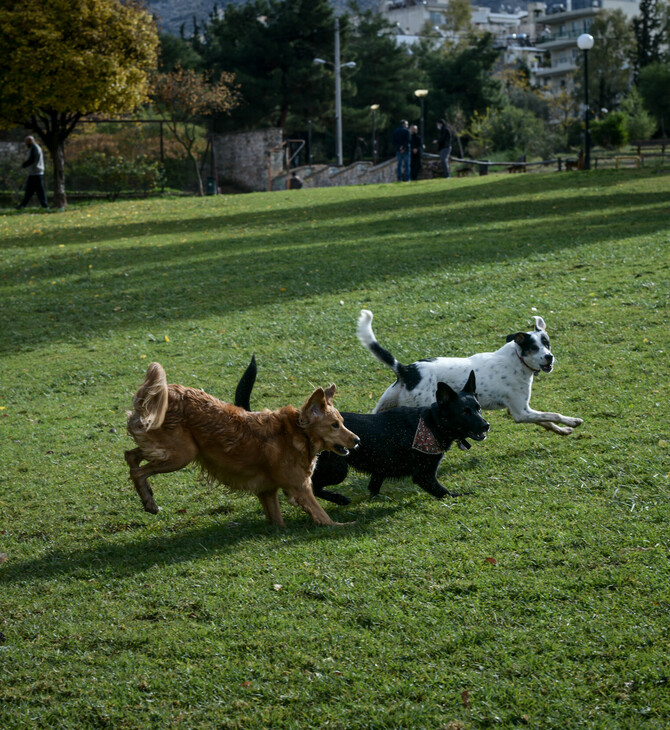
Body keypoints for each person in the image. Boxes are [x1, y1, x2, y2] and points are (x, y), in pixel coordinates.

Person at [17, 136, 49, 210]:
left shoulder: (34, 148)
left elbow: (32, 159)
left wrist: (23, 165)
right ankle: (22, 205)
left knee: (39, 191)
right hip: (33, 173)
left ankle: (45, 206)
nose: (26, 144)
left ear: (30, 141)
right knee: (29, 191)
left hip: (36, 172)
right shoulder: (34, 148)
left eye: (26, 142)